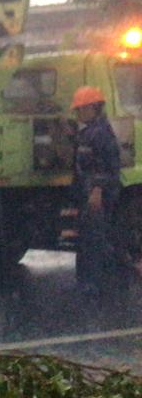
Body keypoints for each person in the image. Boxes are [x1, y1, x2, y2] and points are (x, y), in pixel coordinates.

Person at [70, 85, 122, 295]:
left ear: (93, 108)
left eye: (81, 109)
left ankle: (93, 285)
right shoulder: (91, 132)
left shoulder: (101, 134)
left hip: (97, 195)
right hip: (90, 193)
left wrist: (97, 191)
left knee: (93, 240)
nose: (78, 113)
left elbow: (107, 166)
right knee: (92, 239)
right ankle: (93, 282)